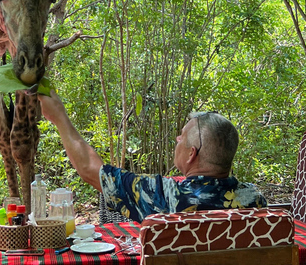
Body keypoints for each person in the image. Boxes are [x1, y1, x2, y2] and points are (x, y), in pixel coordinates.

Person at [38, 90, 266, 222]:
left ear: (191, 154)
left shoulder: (164, 197)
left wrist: (59, 117)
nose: (177, 138)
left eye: (182, 137)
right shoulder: (255, 199)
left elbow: (90, 169)